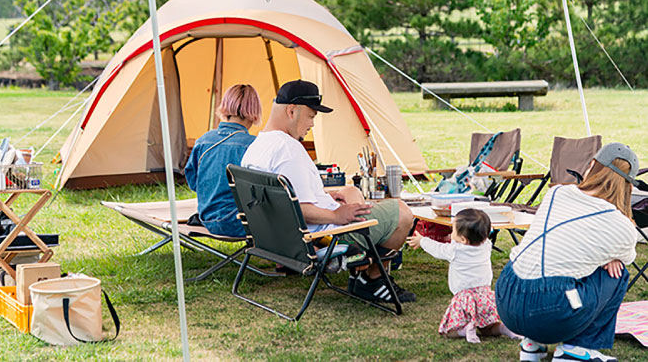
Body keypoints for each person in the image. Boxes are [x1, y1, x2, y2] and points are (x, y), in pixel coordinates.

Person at [241, 79, 416, 303]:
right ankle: (372, 281)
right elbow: (300, 209)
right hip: (327, 235)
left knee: (351, 191)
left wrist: (325, 197)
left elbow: (288, 201)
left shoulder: (257, 147)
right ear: (292, 111)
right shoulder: (289, 149)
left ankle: (364, 272)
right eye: (312, 116)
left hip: (281, 238)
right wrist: (336, 215)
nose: (312, 124)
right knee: (402, 212)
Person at [495, 143, 638, 362]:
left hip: (507, 295)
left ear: (592, 167)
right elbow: (626, 258)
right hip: (550, 307)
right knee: (616, 273)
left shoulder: (556, 193)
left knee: (554, 263)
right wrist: (608, 257)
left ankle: (532, 344)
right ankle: (577, 349)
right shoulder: (622, 227)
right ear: (628, 186)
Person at [407, 209, 520, 343]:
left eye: (453, 230)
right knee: (487, 328)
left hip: (464, 298)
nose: (451, 232)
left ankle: (465, 329)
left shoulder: (455, 251)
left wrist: (422, 241)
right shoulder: (486, 245)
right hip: (484, 296)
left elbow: (438, 249)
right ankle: (503, 328)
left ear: (463, 239)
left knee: (449, 332)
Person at [184, 84, 262, 237]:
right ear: (254, 113)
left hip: (206, 217)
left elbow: (193, 181)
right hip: (238, 223)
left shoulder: (203, 141)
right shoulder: (253, 144)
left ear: (225, 107)